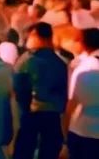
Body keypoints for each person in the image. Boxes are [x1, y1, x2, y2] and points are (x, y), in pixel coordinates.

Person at [12, 22, 68, 159]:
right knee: (49, 150)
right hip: (54, 115)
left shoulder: (28, 59)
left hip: (31, 113)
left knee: (24, 150)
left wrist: (24, 108)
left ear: (35, 35)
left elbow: (18, 86)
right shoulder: (61, 62)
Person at [65, 27, 99, 159]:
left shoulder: (83, 68)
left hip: (84, 132)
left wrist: (64, 135)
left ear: (82, 43)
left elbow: (72, 103)